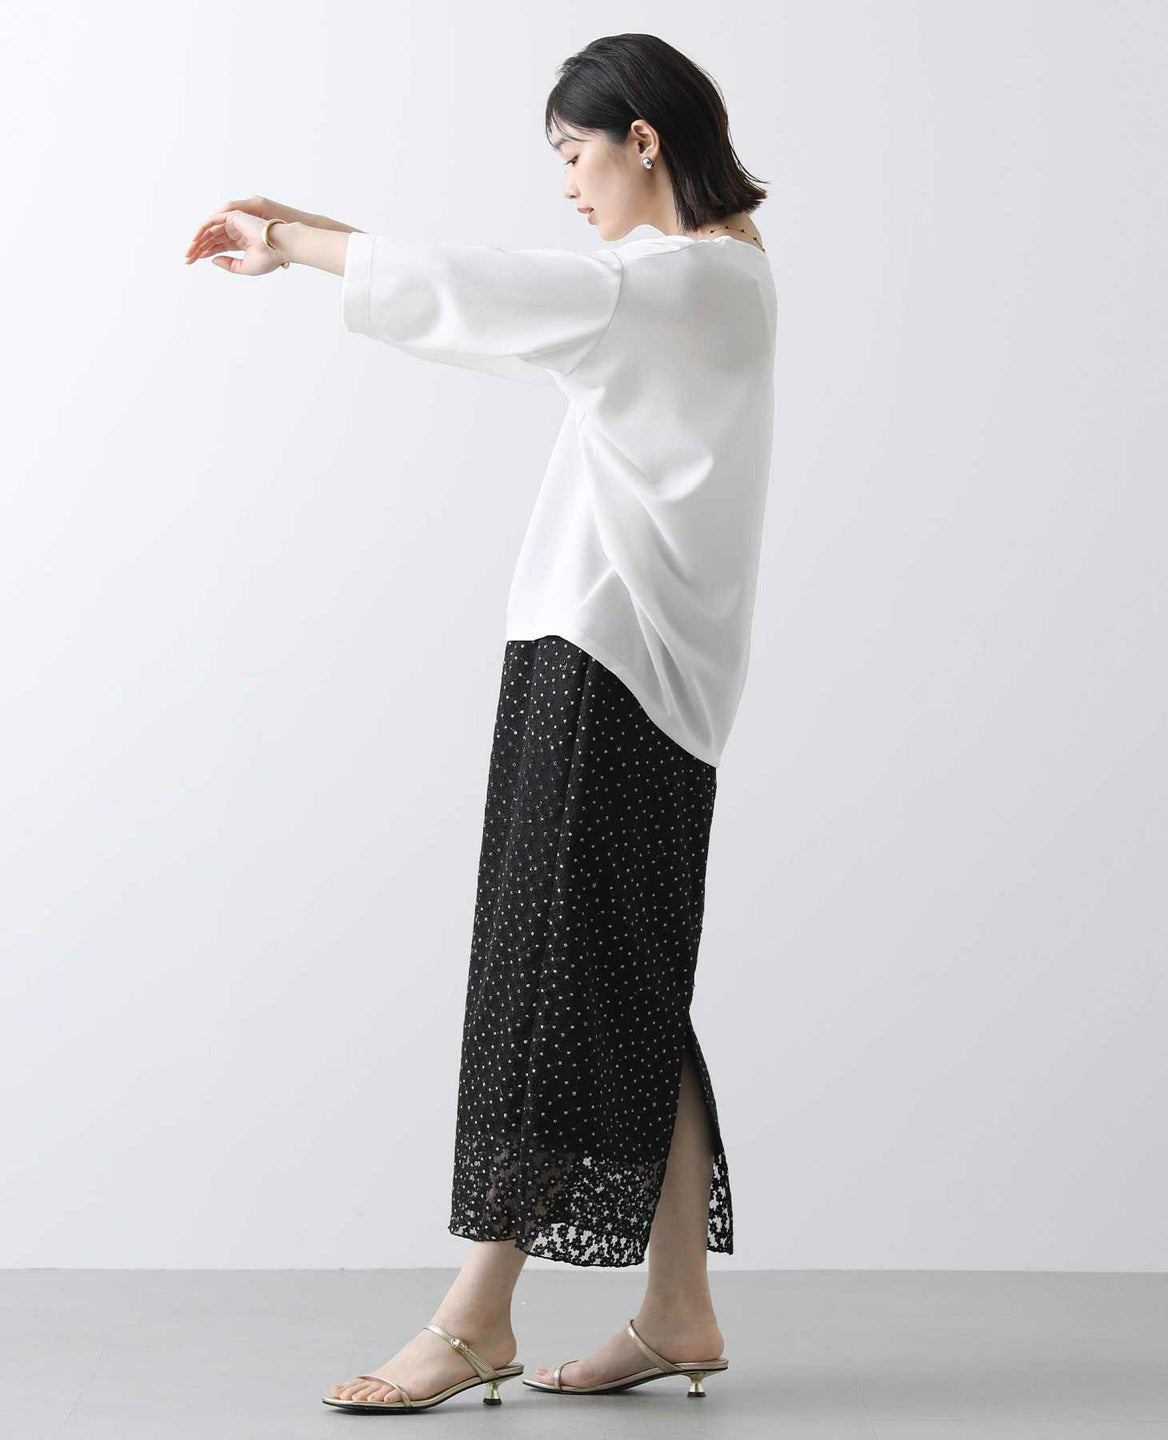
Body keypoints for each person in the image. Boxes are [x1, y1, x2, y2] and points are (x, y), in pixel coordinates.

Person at [185, 32, 775, 1415]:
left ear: (642, 141)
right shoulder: (724, 277)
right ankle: (677, 1306)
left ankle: (476, 1316)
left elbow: (490, 290)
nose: (566, 184)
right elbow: (514, 296)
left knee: (546, 982)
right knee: (622, 975)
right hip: (647, 676)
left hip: (601, 660)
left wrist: (297, 243)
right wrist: (303, 225)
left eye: (574, 153)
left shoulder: (670, 287)